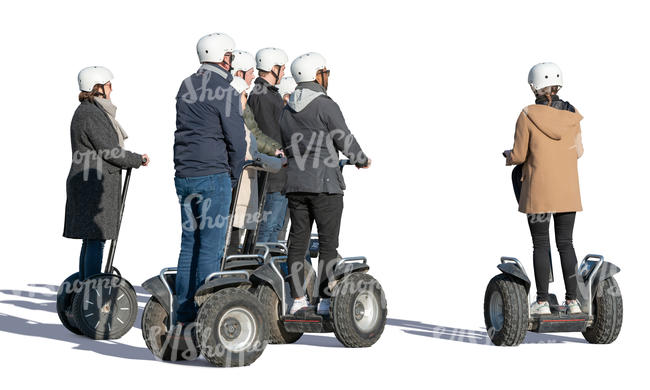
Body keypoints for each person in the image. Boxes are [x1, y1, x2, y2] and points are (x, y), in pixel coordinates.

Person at [280, 52, 370, 314]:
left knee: (297, 243)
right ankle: (326, 299)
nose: (327, 77)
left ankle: (298, 301)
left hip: (296, 185)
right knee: (329, 244)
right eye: (325, 72)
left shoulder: (287, 109)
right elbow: (343, 137)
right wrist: (361, 159)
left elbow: (287, 143)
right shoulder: (325, 104)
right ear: (315, 75)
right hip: (325, 185)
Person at [173, 33, 246, 325]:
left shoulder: (185, 84)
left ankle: (184, 315)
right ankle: (207, 317)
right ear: (223, 58)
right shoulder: (225, 89)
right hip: (212, 175)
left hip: (184, 175)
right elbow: (237, 141)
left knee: (189, 244)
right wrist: (235, 173)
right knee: (211, 247)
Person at [504, 62, 584, 315]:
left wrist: (508, 155)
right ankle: (573, 302)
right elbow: (578, 152)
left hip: (539, 192)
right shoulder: (573, 116)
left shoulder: (528, 115)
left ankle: (541, 302)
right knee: (566, 243)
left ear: (534, 86)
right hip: (568, 192)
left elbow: (519, 154)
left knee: (540, 243)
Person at [64, 66, 149, 280]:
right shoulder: (92, 113)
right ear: (97, 88)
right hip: (94, 186)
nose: (112, 88)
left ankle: (84, 289)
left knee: (91, 239)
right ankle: (91, 293)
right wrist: (137, 159)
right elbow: (111, 151)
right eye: (109, 84)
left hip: (89, 182)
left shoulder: (88, 111)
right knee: (96, 238)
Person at [229, 76, 284, 246]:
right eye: (244, 95)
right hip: (241, 182)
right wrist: (277, 162)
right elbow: (250, 153)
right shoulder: (236, 123)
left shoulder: (236, 121)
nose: (247, 100)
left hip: (244, 181)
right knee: (234, 235)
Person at [247, 47, 289, 243]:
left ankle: (269, 269)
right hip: (274, 174)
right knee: (268, 229)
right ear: (273, 68)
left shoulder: (268, 93)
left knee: (275, 228)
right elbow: (270, 132)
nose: (284, 73)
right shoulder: (263, 95)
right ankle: (262, 271)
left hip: (278, 173)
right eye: (282, 68)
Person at [230, 49, 283, 157]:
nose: (253, 76)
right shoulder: (261, 95)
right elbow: (263, 132)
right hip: (263, 158)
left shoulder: (269, 93)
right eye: (251, 72)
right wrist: (277, 152)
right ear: (240, 73)